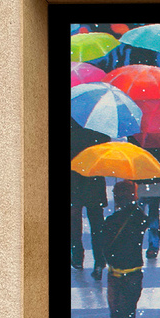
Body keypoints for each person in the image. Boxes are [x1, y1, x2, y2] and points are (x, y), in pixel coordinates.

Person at [101, 180, 148, 318]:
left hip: (117, 275)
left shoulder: (111, 222)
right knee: (129, 311)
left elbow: (105, 248)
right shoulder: (139, 218)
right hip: (135, 273)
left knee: (117, 314)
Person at [70, 119, 108, 279]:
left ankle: (77, 255)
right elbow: (105, 147)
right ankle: (99, 260)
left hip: (74, 178)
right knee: (97, 223)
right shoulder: (98, 124)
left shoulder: (73, 124)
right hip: (94, 178)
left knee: (74, 220)